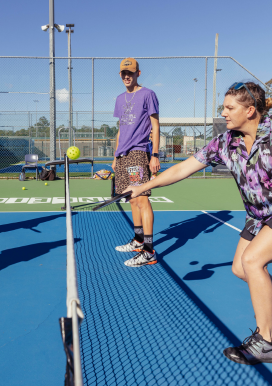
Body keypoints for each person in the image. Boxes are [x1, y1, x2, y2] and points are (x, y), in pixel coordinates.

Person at [124, 81, 272, 365]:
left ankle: (266, 341)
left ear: (250, 110)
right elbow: (184, 168)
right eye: (224, 107)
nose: (224, 113)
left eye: (230, 108)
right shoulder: (226, 141)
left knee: (253, 261)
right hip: (257, 215)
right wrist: (145, 186)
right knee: (241, 268)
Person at [112, 58, 160, 267]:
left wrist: (155, 155)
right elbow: (121, 128)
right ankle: (138, 240)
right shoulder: (119, 98)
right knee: (132, 199)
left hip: (138, 153)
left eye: (130, 72)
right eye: (123, 73)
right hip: (123, 155)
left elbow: (155, 126)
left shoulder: (148, 94)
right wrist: (115, 157)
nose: (126, 76)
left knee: (142, 199)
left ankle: (149, 251)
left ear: (138, 73)